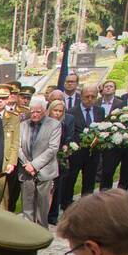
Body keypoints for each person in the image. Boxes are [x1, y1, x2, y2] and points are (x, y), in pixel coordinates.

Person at [18, 96, 62, 227]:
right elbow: (18, 147)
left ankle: (42, 232)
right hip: (26, 170)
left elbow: (52, 149)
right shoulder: (23, 125)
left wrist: (34, 165)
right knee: (27, 205)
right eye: (32, 111)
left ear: (44, 111)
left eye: (38, 112)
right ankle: (27, 232)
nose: (35, 114)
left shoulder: (54, 125)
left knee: (42, 206)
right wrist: (27, 164)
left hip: (45, 170)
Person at [62, 83, 103, 204]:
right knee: (70, 180)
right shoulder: (71, 112)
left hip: (93, 153)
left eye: (93, 96)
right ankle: (66, 203)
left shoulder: (100, 111)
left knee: (89, 181)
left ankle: (87, 204)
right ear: (81, 96)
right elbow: (68, 133)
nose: (90, 99)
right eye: (87, 96)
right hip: (76, 154)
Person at [0, 84, 22, 211]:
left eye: (3, 98)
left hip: (3, 164)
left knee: (1, 199)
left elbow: (15, 142)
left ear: (8, 99)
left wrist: (12, 162)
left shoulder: (13, 118)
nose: (0, 101)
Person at [46, 99, 75, 227]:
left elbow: (68, 139)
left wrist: (66, 147)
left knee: (57, 188)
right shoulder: (44, 124)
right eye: (55, 110)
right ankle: (42, 214)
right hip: (45, 159)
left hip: (59, 159)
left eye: (60, 111)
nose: (57, 113)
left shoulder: (64, 125)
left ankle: (53, 215)